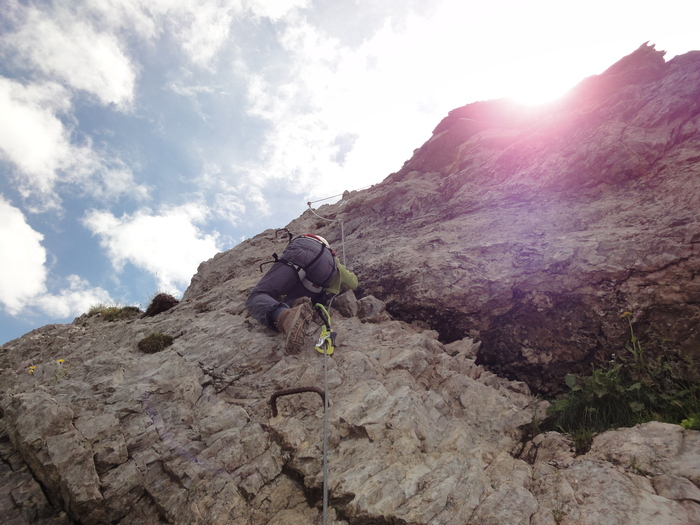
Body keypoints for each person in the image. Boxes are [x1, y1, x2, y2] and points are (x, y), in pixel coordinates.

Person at [246, 234, 358, 354]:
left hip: (303, 249)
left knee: (258, 295)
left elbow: (287, 253)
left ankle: (285, 316)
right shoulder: (334, 260)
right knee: (289, 304)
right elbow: (353, 283)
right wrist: (336, 264)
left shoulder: (305, 241)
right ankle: (295, 308)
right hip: (328, 266)